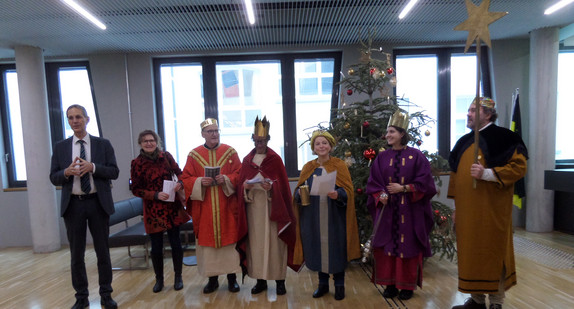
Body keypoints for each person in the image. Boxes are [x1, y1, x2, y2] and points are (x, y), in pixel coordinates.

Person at [448, 97, 528, 309]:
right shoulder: (463, 143)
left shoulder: (505, 139)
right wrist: (456, 209)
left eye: (474, 110)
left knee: (493, 253)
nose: (468, 114)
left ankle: (495, 302)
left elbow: (519, 168)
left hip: (492, 212)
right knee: (471, 253)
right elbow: (455, 179)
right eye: (468, 110)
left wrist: (488, 173)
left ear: (488, 114)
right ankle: (476, 300)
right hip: (467, 213)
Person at [49, 104, 119, 309]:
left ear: (87, 119)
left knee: (103, 252)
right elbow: (53, 177)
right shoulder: (61, 147)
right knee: (76, 254)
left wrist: (93, 168)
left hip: (98, 203)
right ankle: (81, 297)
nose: (75, 121)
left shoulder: (102, 144)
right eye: (70, 118)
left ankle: (106, 294)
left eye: (78, 117)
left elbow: (114, 172)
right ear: (68, 121)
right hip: (74, 205)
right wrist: (66, 173)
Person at [365, 110, 437, 300]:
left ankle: (407, 286)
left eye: (392, 132)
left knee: (408, 247)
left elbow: (426, 184)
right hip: (388, 212)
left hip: (410, 212)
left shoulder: (417, 156)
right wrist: (380, 194)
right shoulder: (381, 157)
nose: (388, 135)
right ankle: (389, 284)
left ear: (402, 134)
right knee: (387, 246)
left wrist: (404, 188)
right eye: (387, 132)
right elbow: (373, 182)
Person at [292, 130, 361, 301]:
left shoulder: (339, 165)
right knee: (317, 249)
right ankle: (322, 284)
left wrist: (339, 195)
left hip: (334, 218)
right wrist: (299, 195)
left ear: (330, 146)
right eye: (317, 144)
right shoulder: (308, 167)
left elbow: (349, 192)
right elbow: (298, 192)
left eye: (324, 143)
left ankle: (339, 285)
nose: (321, 146)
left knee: (336, 249)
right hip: (313, 217)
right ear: (313, 148)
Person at [236, 116, 299, 296]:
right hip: (254, 209)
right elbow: (241, 184)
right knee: (256, 246)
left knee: (276, 245)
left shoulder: (275, 160)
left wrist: (272, 188)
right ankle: (260, 281)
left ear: (268, 140)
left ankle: (280, 281)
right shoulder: (247, 160)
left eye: (262, 141)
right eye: (256, 141)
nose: (259, 144)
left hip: (274, 210)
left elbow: (283, 187)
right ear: (253, 140)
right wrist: (246, 188)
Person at [180, 118, 242, 294]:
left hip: (227, 206)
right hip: (206, 208)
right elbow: (185, 179)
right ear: (203, 134)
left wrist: (227, 179)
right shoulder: (194, 155)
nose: (214, 134)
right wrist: (200, 181)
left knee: (229, 244)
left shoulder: (230, 152)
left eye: (216, 131)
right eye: (210, 131)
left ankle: (232, 280)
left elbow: (240, 173)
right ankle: (212, 280)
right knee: (208, 247)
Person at [130, 130, 190, 293]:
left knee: (176, 243)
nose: (149, 143)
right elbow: (135, 189)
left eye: (151, 140)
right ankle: (159, 280)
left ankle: (178, 277)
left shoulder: (166, 157)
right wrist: (155, 195)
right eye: (145, 141)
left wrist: (180, 183)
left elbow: (180, 173)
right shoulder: (136, 163)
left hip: (171, 207)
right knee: (156, 248)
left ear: (157, 142)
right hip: (153, 209)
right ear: (140, 144)